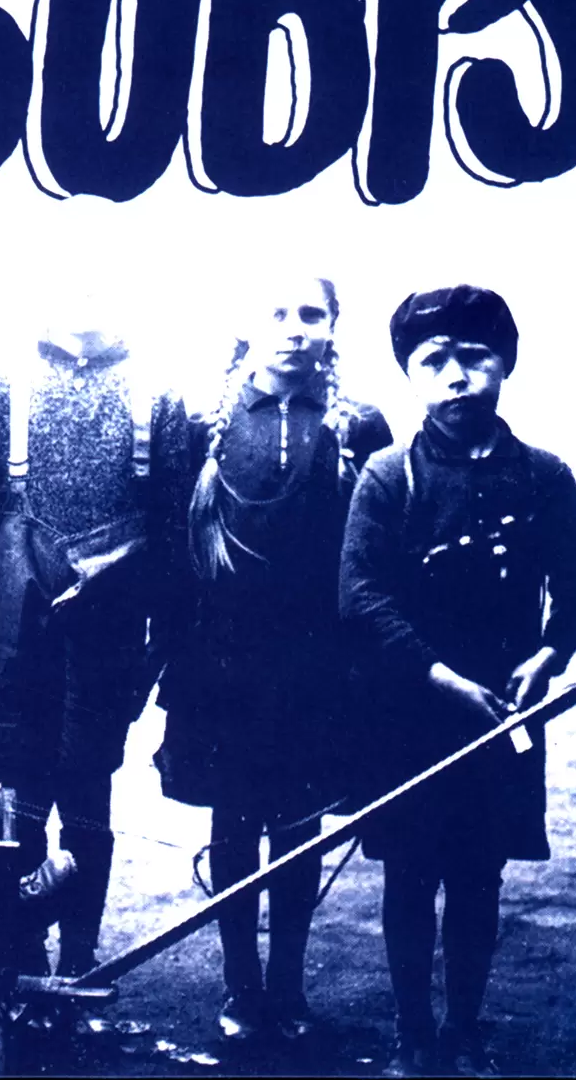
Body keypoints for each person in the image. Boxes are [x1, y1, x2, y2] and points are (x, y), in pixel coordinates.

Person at [340, 286, 576, 1079]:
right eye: (434, 361)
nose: (456, 377)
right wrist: (439, 674)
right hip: (406, 713)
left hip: (505, 715)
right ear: (411, 374)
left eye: (475, 357)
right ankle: (414, 1034)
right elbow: (360, 594)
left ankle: (464, 1030)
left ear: (505, 364)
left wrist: (549, 654)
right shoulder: (388, 476)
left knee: (480, 877)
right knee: (410, 877)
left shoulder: (544, 476)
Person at [154, 277, 392, 1042]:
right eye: (277, 313)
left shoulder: (359, 425)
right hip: (224, 662)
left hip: (316, 662)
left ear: (333, 325)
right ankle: (240, 987)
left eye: (311, 314)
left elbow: (379, 552)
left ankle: (288, 989)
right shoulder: (204, 422)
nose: (294, 329)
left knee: (299, 823)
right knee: (234, 821)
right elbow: (171, 548)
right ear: (247, 323)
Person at [0, 318, 192, 975]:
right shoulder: (3, 383)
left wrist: (155, 652)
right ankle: (22, 958)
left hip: (110, 632)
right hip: (18, 621)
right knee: (20, 798)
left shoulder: (157, 392)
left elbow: (173, 534)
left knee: (88, 796)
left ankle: (80, 963)